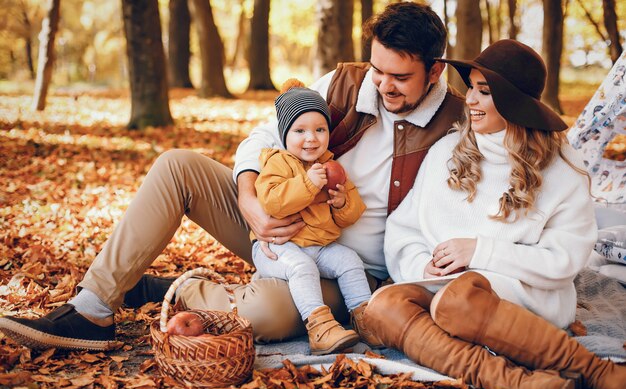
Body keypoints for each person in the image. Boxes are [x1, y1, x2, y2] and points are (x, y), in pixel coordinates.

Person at [0, 2, 464, 350]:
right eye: (378, 70)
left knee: (264, 315)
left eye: (399, 77)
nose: (382, 86)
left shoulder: (458, 126)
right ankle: (92, 311)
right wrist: (249, 200)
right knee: (177, 165)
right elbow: (264, 134)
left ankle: (168, 289)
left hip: (346, 270)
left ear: (434, 70)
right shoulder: (346, 82)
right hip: (278, 223)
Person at [364, 40, 626, 389]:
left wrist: (480, 250)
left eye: (484, 92)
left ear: (515, 102)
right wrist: (422, 266)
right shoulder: (446, 152)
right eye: (470, 87)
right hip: (442, 287)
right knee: (383, 306)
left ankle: (598, 373)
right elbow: (403, 228)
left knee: (458, 301)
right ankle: (527, 386)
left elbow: (564, 259)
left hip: (523, 293)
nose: (469, 99)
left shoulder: (561, 168)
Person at [250, 79, 376, 354]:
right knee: (301, 268)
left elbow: (350, 216)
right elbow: (272, 203)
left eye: (320, 129)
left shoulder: (331, 166)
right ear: (284, 134)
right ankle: (318, 327)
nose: (311, 138)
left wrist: (342, 202)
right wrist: (307, 184)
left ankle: (366, 318)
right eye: (300, 130)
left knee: (348, 260)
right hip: (278, 248)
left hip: (319, 248)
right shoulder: (277, 162)